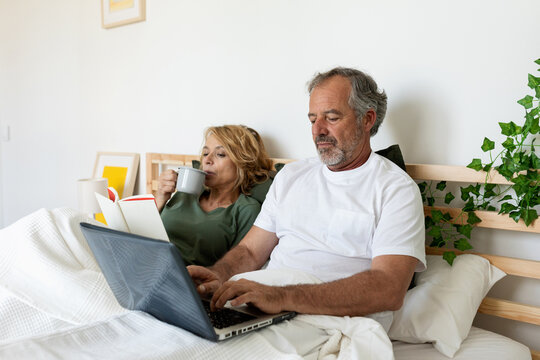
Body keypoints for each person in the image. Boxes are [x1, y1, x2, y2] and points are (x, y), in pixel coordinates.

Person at [188, 67, 426, 330]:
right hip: (262, 310)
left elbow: (387, 288)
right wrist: (218, 275)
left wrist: (281, 296)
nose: (318, 130)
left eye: (331, 117)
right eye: (313, 119)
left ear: (367, 119)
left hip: (331, 321)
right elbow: (250, 250)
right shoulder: (291, 175)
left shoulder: (395, 189)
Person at [156, 125, 274, 267]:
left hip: (185, 279)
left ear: (243, 163)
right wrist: (160, 198)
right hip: (147, 264)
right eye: (205, 154)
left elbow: (238, 265)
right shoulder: (183, 195)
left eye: (220, 154)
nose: (207, 160)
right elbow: (141, 234)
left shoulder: (246, 210)